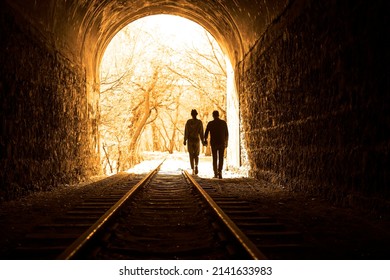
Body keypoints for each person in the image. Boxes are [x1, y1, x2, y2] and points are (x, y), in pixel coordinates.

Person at [204, 110, 228, 179]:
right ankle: (220, 172)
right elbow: (226, 133)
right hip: (221, 142)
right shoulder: (223, 123)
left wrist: (205, 140)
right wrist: (226, 142)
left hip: (214, 143)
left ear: (213, 115)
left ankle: (215, 173)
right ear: (218, 115)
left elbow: (206, 133)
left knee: (214, 158)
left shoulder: (210, 123)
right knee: (221, 158)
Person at [184, 109, 204, 175]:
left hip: (190, 140)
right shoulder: (199, 122)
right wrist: (203, 141)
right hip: (196, 139)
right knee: (196, 154)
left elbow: (186, 131)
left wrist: (185, 139)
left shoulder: (188, 122)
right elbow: (201, 132)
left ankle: (192, 169)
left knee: (191, 155)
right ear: (196, 114)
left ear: (191, 114)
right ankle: (196, 165)